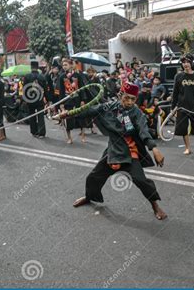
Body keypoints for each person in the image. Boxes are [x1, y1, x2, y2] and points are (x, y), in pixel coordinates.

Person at [58, 82, 168, 220]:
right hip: (113, 149)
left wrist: (154, 148)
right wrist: (66, 114)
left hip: (129, 150)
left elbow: (143, 131)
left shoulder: (136, 113)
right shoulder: (109, 107)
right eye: (126, 98)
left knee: (141, 180)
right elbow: (88, 110)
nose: (129, 102)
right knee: (94, 177)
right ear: (120, 95)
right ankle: (89, 197)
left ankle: (155, 206)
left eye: (133, 99)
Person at [58, 58, 87, 144]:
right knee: (68, 118)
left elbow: (82, 88)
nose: (64, 67)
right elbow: (61, 91)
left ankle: (83, 136)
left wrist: (83, 100)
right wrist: (61, 103)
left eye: (66, 65)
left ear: (71, 65)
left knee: (81, 117)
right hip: (67, 100)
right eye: (63, 65)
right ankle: (69, 137)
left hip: (77, 99)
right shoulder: (62, 77)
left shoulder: (77, 75)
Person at [23, 61, 47, 138]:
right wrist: (47, 98)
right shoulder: (42, 76)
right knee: (40, 116)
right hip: (40, 98)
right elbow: (46, 89)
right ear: (38, 67)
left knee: (32, 115)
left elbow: (24, 89)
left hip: (30, 99)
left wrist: (25, 99)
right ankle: (42, 133)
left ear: (31, 67)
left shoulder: (27, 76)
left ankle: (34, 132)